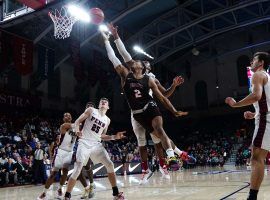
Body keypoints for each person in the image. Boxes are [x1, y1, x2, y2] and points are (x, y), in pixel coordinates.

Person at [105, 24, 194, 181]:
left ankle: (166, 163)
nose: (140, 62)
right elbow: (122, 54)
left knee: (159, 137)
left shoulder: (151, 78)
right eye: (139, 61)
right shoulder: (130, 72)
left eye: (144, 62)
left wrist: (173, 90)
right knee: (145, 141)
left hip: (150, 107)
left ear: (146, 67)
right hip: (136, 112)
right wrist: (113, 37)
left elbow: (163, 95)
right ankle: (178, 155)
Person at [225, 52, 270, 200]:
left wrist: (236, 104)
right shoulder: (267, 76)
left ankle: (252, 197)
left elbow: (256, 96)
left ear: (261, 62)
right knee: (258, 157)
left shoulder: (257, 75)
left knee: (256, 158)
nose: (251, 61)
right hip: (263, 117)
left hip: (265, 121)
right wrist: (255, 113)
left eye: (255, 59)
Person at [64, 98, 126, 200]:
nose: (103, 102)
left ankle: (116, 193)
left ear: (108, 107)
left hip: (96, 144)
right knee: (78, 167)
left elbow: (102, 136)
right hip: (84, 142)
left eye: (106, 102)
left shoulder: (107, 120)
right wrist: (77, 130)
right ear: (99, 104)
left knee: (110, 164)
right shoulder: (91, 110)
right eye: (102, 101)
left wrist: (115, 137)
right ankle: (67, 195)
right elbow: (78, 121)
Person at [37, 113, 76, 200]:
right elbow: (77, 125)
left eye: (69, 115)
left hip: (69, 152)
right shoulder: (63, 126)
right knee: (53, 174)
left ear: (71, 117)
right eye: (65, 115)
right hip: (61, 152)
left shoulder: (75, 127)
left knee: (65, 172)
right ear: (63, 119)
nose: (68, 116)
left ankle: (60, 188)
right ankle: (44, 193)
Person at [78, 102, 96, 199]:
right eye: (87, 107)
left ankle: (92, 184)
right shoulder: (82, 119)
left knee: (87, 166)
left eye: (91, 108)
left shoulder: (95, 121)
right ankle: (87, 187)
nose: (89, 109)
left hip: (90, 145)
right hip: (80, 145)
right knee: (78, 170)